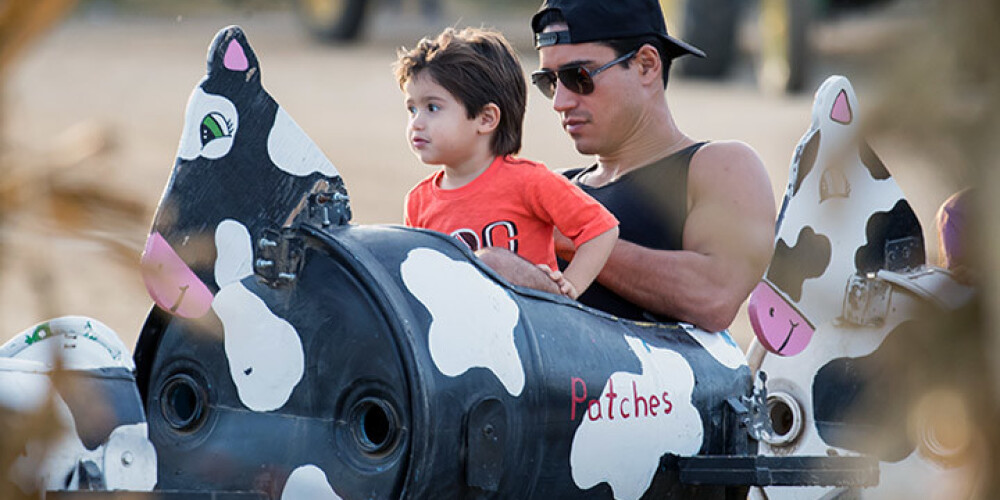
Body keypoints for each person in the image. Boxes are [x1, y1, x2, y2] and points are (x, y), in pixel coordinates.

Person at [522, 0, 777, 331]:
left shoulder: (720, 166)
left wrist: (571, 237)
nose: (560, 102)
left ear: (646, 65)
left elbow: (714, 296)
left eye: (578, 76)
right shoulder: (557, 186)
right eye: (550, 82)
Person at [395, 27, 620, 299]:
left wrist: (570, 289)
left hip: (532, 326)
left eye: (432, 107)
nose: (416, 123)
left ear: (486, 118)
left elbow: (601, 229)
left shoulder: (529, 181)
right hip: (466, 329)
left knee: (495, 261)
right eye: (412, 109)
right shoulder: (418, 202)